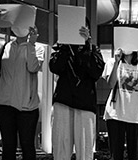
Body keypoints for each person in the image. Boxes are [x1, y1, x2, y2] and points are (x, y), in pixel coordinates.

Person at [0, 9, 44, 160]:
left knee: (27, 146)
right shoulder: (4, 46)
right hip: (4, 105)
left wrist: (31, 44)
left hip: (27, 107)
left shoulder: (37, 48)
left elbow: (33, 67)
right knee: (8, 147)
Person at [49, 19, 105, 160]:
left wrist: (86, 45)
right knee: (61, 145)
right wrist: (66, 46)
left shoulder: (93, 49)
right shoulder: (61, 47)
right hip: (63, 100)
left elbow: (96, 72)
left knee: (85, 149)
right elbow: (54, 67)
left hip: (85, 103)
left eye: (83, 28)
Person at [102, 48, 138, 160]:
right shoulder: (112, 62)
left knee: (135, 155)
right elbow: (110, 84)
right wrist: (116, 62)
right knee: (115, 155)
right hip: (115, 113)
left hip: (135, 114)